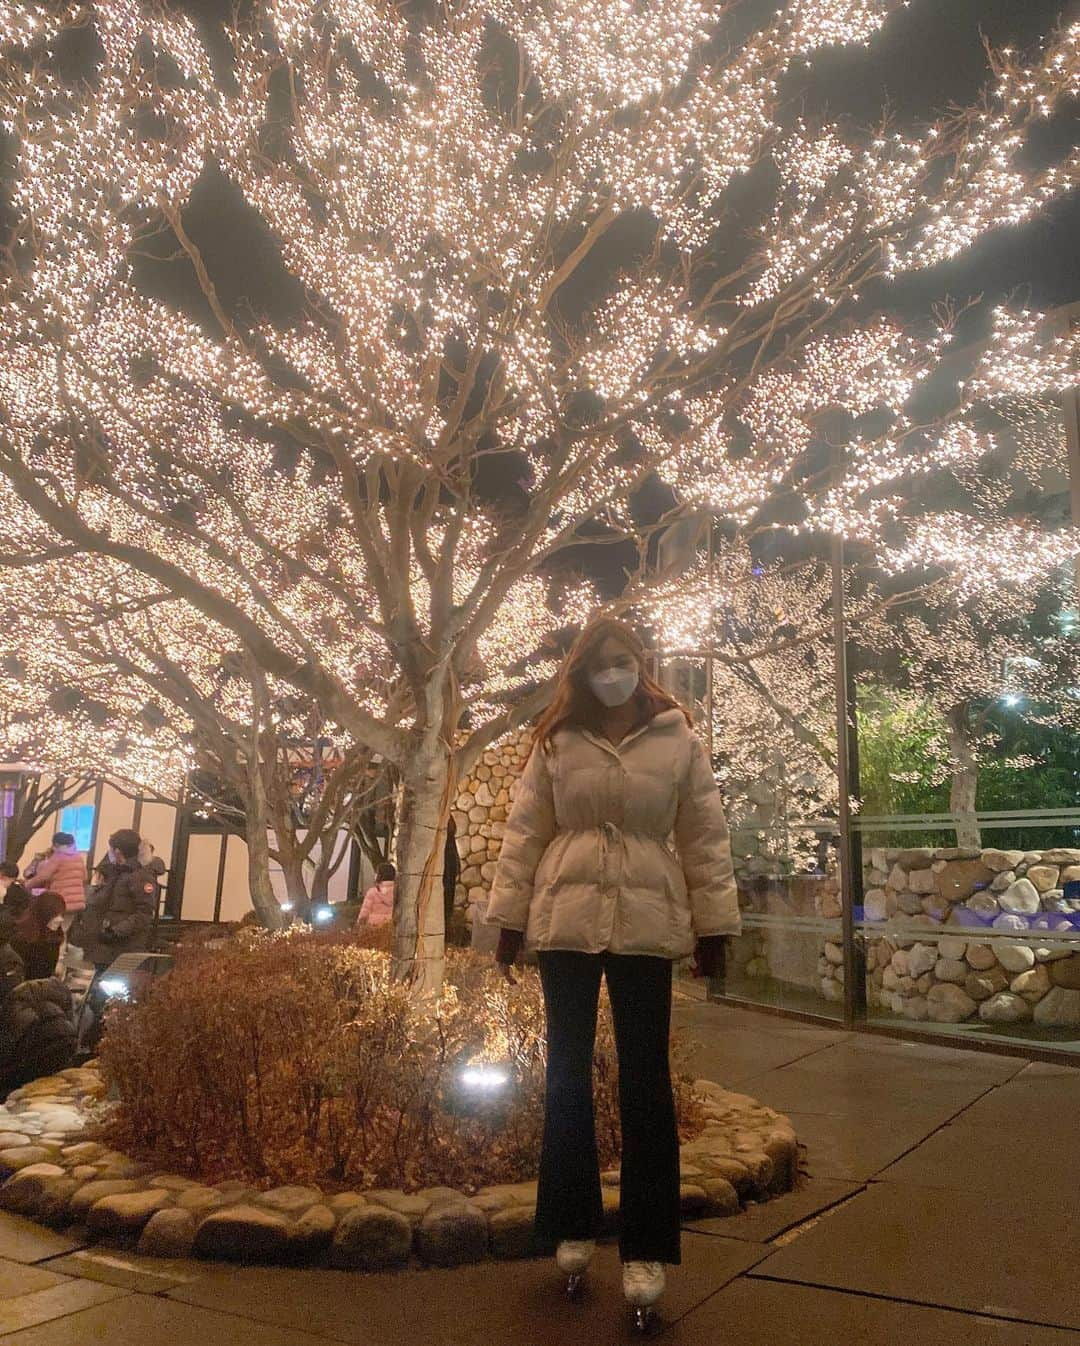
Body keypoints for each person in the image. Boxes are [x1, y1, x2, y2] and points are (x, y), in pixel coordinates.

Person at [486, 618, 740, 1328]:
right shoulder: (557, 741)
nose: (612, 674)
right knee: (565, 1075)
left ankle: (645, 1245)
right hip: (565, 921)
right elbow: (524, 831)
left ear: (641, 664)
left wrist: (716, 926)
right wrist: (507, 921)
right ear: (581, 671)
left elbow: (704, 834)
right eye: (600, 664)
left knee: (646, 1084)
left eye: (622, 662)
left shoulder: (678, 738)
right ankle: (571, 1221)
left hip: (647, 920)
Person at [70, 829, 157, 970]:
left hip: (121, 947)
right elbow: (99, 903)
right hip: (101, 946)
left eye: (110, 848)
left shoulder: (140, 876)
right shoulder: (113, 872)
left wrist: (116, 931)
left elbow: (144, 913)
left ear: (118, 851)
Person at [26, 832, 87, 928]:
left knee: (53, 930)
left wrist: (27, 885)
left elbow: (43, 877)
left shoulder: (58, 857)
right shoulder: (79, 858)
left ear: (56, 844)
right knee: (64, 930)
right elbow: (85, 877)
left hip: (60, 901)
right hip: (77, 902)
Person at [11, 890, 66, 981]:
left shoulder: (54, 937)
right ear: (44, 913)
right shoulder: (21, 939)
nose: (61, 919)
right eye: (55, 915)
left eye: (62, 915)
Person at [357, 862, 395, 927]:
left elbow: (364, 913)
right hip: (390, 927)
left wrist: (359, 924)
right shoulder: (398, 892)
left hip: (373, 929)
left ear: (379, 875)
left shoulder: (372, 892)